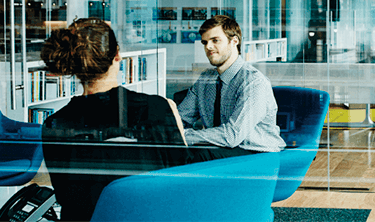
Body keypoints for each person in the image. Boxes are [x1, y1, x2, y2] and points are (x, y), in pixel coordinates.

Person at [41, 17, 189, 221]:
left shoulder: (54, 124)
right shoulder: (162, 107)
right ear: (117, 55)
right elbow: (182, 183)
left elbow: (66, 196)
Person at [178, 15, 286, 162]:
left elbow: (232, 135)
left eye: (215, 40)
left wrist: (184, 136)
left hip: (257, 154)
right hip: (222, 149)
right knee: (170, 151)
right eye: (205, 42)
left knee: (199, 154)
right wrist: (166, 132)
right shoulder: (206, 79)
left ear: (234, 41)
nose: (208, 47)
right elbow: (181, 117)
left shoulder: (253, 82)